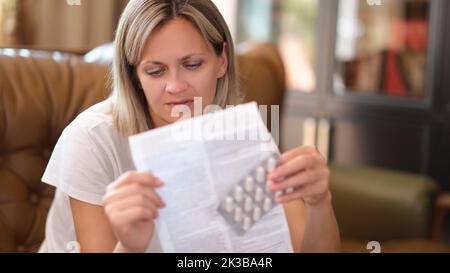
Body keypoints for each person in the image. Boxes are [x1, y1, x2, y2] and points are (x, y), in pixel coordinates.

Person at [39, 0, 340, 253]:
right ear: (134, 76)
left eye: (192, 65)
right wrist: (131, 246)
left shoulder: (239, 133)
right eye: (155, 71)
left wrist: (319, 202)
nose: (175, 86)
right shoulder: (91, 139)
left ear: (222, 60)